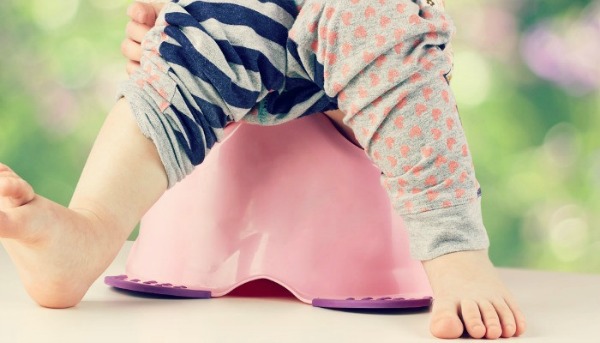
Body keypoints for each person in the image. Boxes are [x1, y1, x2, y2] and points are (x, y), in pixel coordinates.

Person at [0, 0, 526, 339]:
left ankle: (453, 248)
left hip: (361, 24)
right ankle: (90, 230)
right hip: (240, 16)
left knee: (381, 33)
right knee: (181, 60)